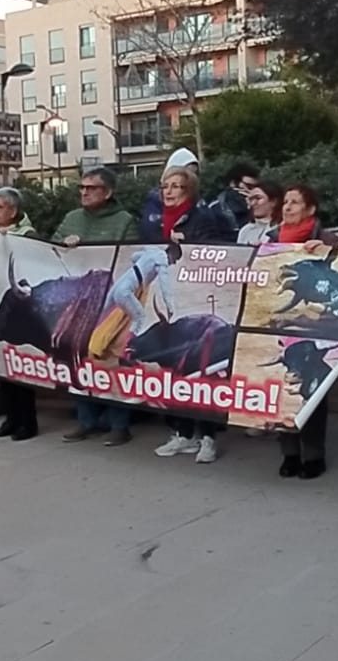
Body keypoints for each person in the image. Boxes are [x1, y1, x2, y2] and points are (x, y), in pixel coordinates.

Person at [147, 167, 234, 464]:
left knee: (204, 368)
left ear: (190, 192)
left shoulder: (203, 219)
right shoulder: (156, 222)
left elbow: (219, 255)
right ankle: (182, 433)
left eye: (177, 187)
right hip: (173, 302)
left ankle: (208, 437)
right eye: (165, 187)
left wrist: (191, 246)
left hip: (200, 303)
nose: (169, 192)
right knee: (175, 369)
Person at [56, 167, 135, 445]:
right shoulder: (71, 218)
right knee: (75, 355)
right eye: (82, 188)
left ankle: (119, 424)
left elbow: (130, 257)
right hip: (78, 298)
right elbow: (52, 252)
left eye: (91, 188)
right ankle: (86, 420)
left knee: (109, 358)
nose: (84, 192)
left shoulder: (124, 220)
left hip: (110, 298)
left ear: (108, 192)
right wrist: (64, 246)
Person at [272, 184, 338, 478]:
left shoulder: (328, 241)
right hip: (282, 329)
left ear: (310, 209)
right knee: (284, 387)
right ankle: (289, 453)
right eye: (286, 202)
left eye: (295, 203)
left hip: (316, 327)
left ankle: (314, 454)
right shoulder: (270, 240)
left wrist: (327, 254)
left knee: (313, 389)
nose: (287, 207)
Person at [0, 187, 40, 441]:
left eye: (0, 208)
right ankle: (10, 418)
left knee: (20, 367)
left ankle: (27, 422)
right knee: (1, 367)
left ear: (13, 210)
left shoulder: (28, 235)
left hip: (21, 309)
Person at [237, 179, 282, 246]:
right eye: (251, 199)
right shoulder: (245, 230)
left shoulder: (281, 229)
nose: (253, 203)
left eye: (258, 198)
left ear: (273, 201)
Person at [215, 161, 259, 228]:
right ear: (233, 183)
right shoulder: (217, 206)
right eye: (248, 186)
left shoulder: (258, 204)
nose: (252, 190)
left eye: (255, 187)